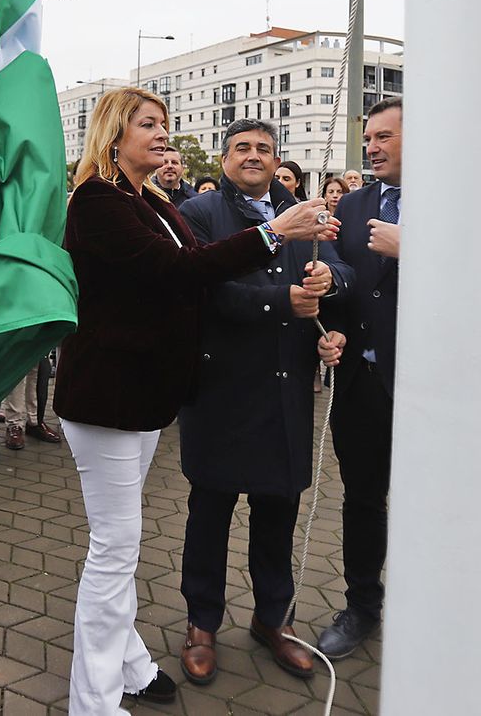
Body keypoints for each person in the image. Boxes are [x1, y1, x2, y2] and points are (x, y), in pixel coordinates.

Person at [53, 87, 338, 714]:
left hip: (143, 399)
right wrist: (273, 233)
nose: (163, 134)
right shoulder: (97, 201)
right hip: (108, 399)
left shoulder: (149, 198)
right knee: (113, 552)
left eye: (165, 124)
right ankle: (92, 701)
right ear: (113, 133)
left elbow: (197, 264)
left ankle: (128, 665)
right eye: (148, 125)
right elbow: (182, 272)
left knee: (119, 544)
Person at [175, 119, 345, 685]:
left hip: (285, 388)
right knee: (210, 514)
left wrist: (328, 294)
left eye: (264, 150)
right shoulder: (200, 215)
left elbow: (340, 267)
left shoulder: (306, 209)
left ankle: (274, 620)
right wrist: (283, 302)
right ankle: (202, 623)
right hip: (222, 389)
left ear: (278, 160)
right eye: (242, 148)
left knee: (278, 514)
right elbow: (202, 289)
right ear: (224, 158)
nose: (254, 156)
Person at [318, 97, 403, 658]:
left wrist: (418, 250)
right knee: (363, 500)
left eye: (384, 137)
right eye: (368, 137)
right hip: (361, 384)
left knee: (431, 502)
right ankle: (361, 606)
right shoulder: (353, 205)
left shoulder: (459, 201)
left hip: (430, 390)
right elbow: (345, 275)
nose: (371, 147)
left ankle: (434, 604)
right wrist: (334, 325)